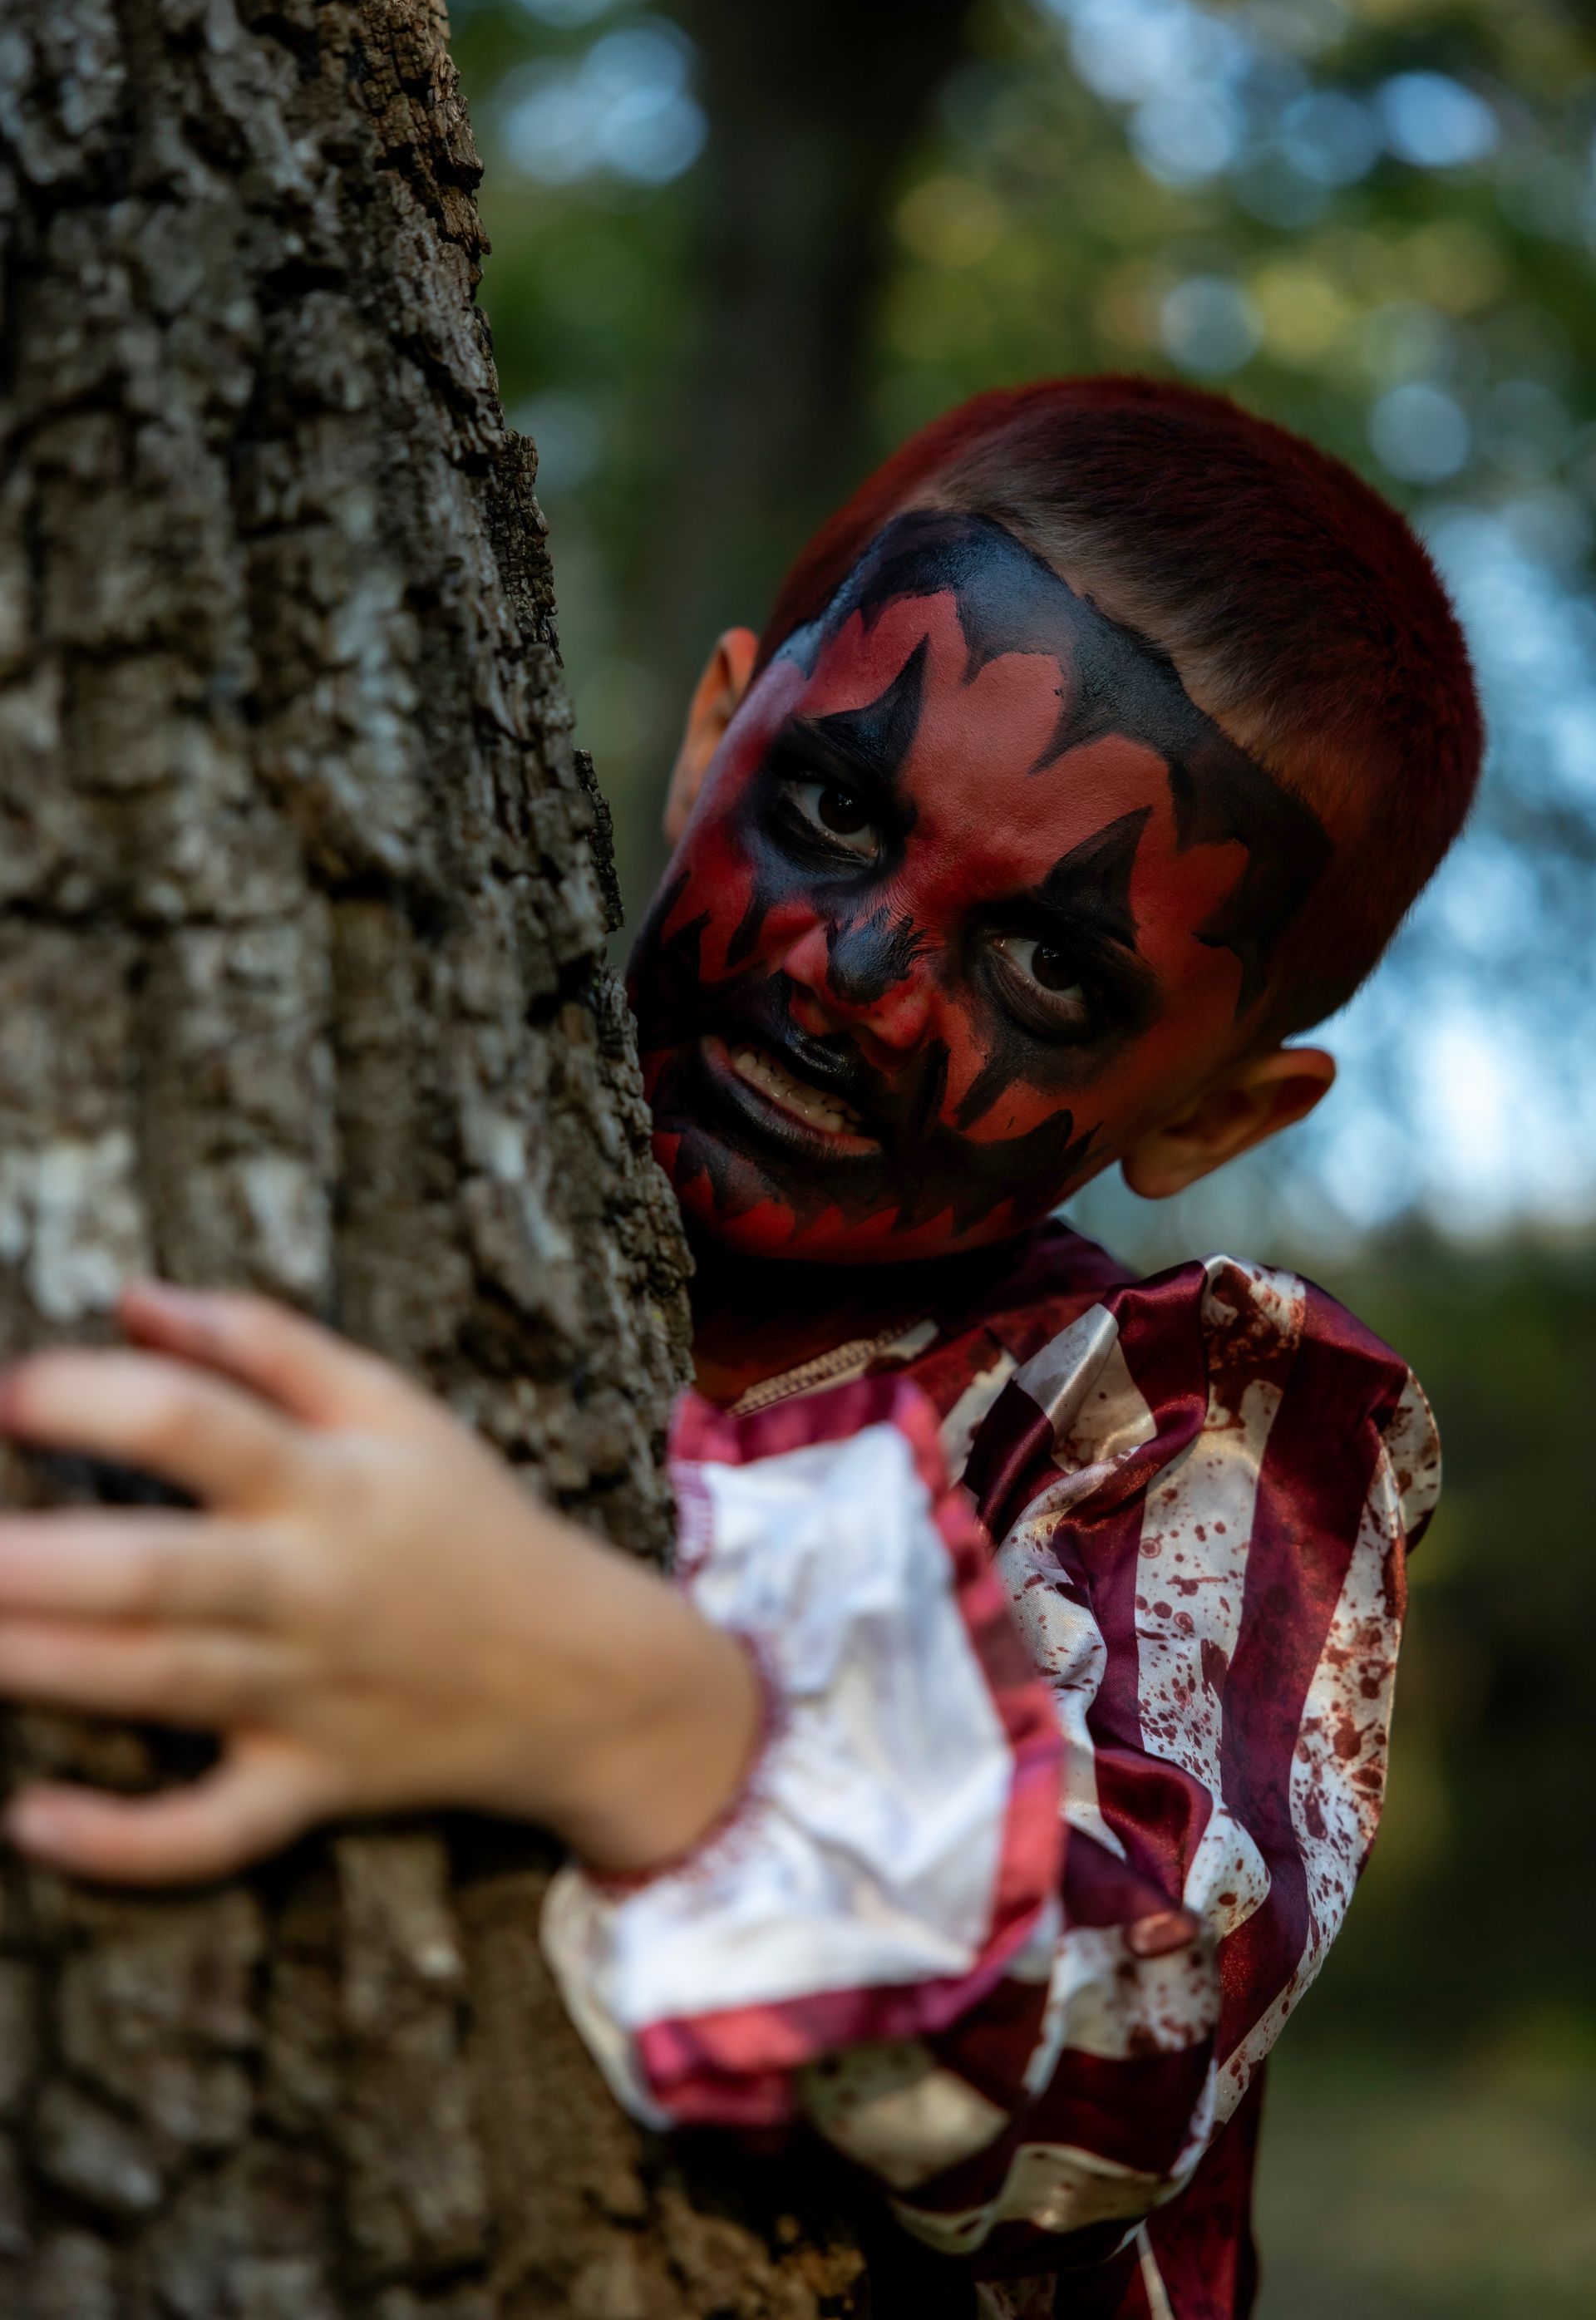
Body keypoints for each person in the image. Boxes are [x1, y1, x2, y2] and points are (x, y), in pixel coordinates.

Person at [0, 379, 1479, 2318]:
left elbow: (1140, 2046)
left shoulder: (1165, 1420)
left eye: (1049, 965)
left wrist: (637, 1715)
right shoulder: (384, 1113)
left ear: (1212, 1116)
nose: (850, 971)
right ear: (718, 738)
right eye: (837, 810)